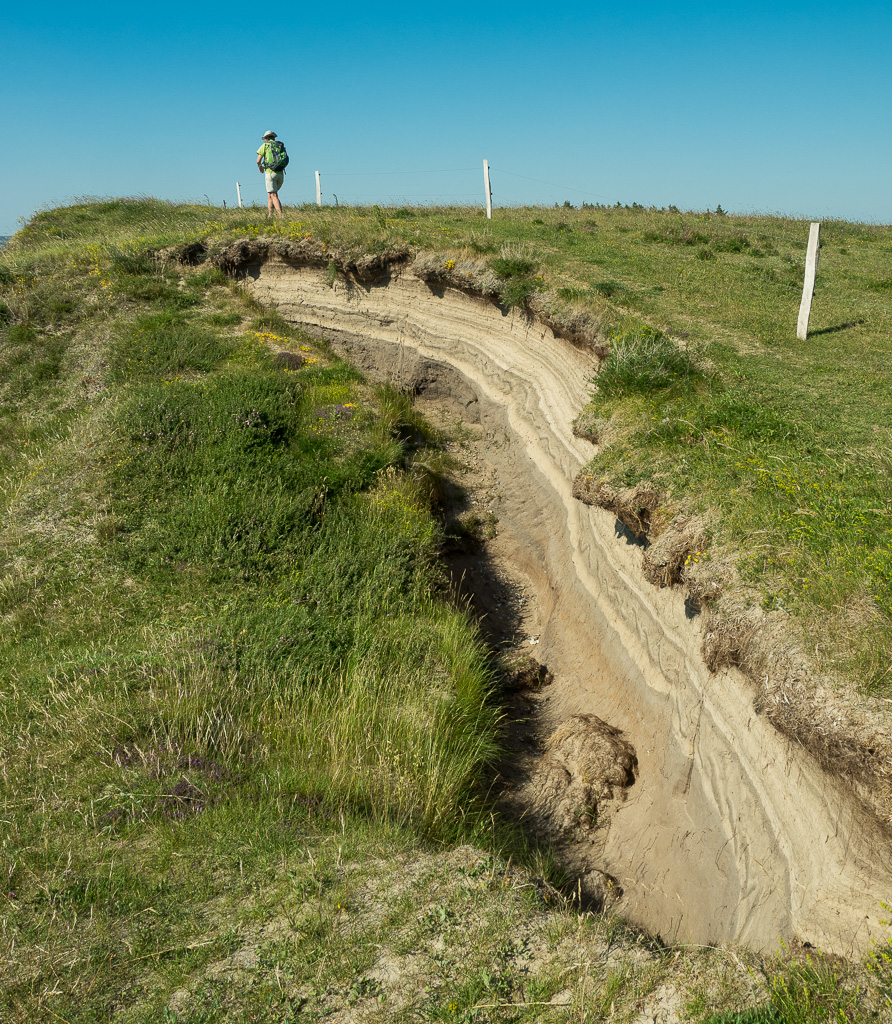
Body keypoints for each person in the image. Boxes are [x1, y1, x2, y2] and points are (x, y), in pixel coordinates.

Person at [256, 130, 285, 218]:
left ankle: (281, 215)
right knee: (270, 195)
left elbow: (258, 160)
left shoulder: (265, 146)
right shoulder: (279, 146)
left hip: (270, 173)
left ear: (266, 138)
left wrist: (260, 167)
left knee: (273, 195)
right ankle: (270, 215)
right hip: (280, 173)